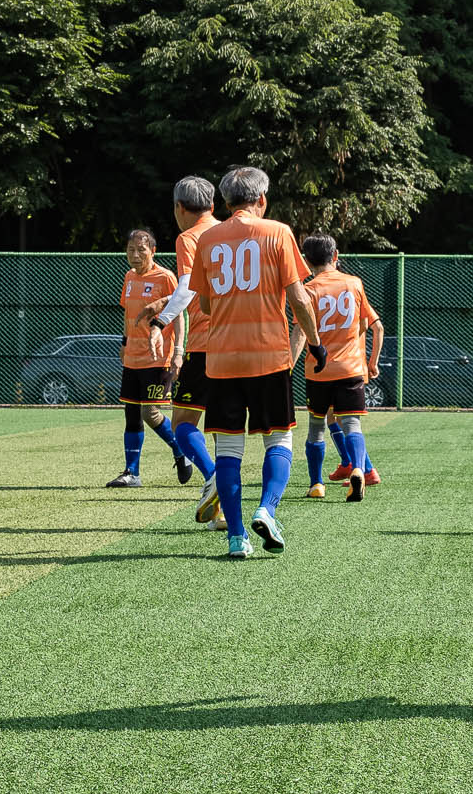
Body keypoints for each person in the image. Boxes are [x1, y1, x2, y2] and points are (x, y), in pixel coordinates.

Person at [192, 167, 326, 558]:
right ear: (262, 199)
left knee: (229, 451)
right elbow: (299, 299)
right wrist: (315, 345)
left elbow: (203, 303)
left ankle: (236, 538)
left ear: (226, 201)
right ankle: (267, 508)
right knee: (279, 439)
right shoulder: (277, 232)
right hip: (269, 356)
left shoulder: (208, 238)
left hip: (221, 360)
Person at [151, 176, 222, 523]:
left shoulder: (189, 237)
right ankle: (228, 518)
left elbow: (188, 288)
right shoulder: (231, 234)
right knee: (231, 431)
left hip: (206, 342)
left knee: (182, 423)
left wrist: (160, 321)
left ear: (180, 208)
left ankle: (213, 477)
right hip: (243, 343)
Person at [299, 235, 383, 502]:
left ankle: (316, 484)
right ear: (335, 256)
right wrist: (372, 362)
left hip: (318, 370)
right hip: (350, 368)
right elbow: (375, 326)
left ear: (306, 261)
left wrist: (287, 365)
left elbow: (300, 333)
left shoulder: (308, 290)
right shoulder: (354, 284)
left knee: (316, 427)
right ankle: (358, 469)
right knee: (352, 425)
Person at [108, 229, 187, 488]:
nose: (135, 255)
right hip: (133, 357)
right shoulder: (129, 277)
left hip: (157, 357)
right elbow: (127, 314)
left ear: (153, 251)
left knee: (150, 412)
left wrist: (178, 352)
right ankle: (132, 472)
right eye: (131, 250)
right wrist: (124, 342)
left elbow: (179, 314)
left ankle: (181, 450)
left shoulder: (166, 277)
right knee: (131, 412)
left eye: (141, 250)